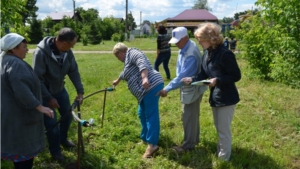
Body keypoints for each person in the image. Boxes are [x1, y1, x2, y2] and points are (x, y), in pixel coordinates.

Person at [182, 23, 241, 161]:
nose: (199, 42)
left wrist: (217, 80)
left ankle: (223, 159)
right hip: (216, 96)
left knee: (223, 130)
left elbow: (236, 75)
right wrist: (192, 79)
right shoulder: (207, 52)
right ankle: (221, 153)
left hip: (227, 97)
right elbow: (203, 73)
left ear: (211, 38)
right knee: (219, 127)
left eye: (201, 39)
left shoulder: (225, 53)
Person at [1, 33, 54, 169]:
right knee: (23, 158)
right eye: (24, 47)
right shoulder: (16, 64)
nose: (27, 49)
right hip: (20, 119)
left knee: (17, 156)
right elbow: (21, 89)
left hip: (10, 116)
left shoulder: (4, 59)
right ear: (13, 48)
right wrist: (39, 106)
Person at [32, 27, 84, 162]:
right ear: (64, 43)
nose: (73, 47)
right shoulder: (41, 53)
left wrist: (80, 90)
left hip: (60, 90)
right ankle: (55, 151)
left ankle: (63, 139)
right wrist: (48, 98)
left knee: (67, 116)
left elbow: (73, 71)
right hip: (44, 95)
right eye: (72, 45)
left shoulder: (68, 52)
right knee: (52, 125)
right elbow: (38, 79)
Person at [157, 27, 207, 153]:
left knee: (188, 116)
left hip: (192, 88)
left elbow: (181, 77)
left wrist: (167, 89)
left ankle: (188, 146)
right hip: (189, 87)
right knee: (192, 115)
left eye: (178, 41)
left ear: (186, 38)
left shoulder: (190, 54)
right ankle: (194, 140)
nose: (176, 44)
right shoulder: (186, 46)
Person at [112, 43, 164, 158]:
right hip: (143, 93)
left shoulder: (132, 52)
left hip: (150, 86)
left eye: (117, 56)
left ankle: (152, 145)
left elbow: (142, 62)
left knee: (151, 115)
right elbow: (125, 72)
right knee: (142, 114)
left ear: (120, 53)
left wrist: (145, 78)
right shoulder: (127, 60)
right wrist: (118, 80)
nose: (118, 59)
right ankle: (145, 138)